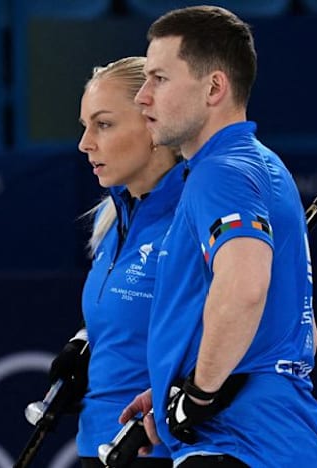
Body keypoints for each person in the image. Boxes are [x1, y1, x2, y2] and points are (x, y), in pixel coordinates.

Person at [119, 6, 317, 467]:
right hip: (269, 440)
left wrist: (198, 395)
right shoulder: (258, 166)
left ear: (214, 87)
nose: (142, 98)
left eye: (159, 78)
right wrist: (176, 377)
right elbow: (297, 329)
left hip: (236, 446)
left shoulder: (221, 174)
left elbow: (245, 288)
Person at [47, 56, 186, 468]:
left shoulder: (191, 219)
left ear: (154, 125)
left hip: (162, 451)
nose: (85, 143)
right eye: (85, 126)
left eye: (103, 124)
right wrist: (86, 341)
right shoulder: (113, 219)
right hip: (98, 447)